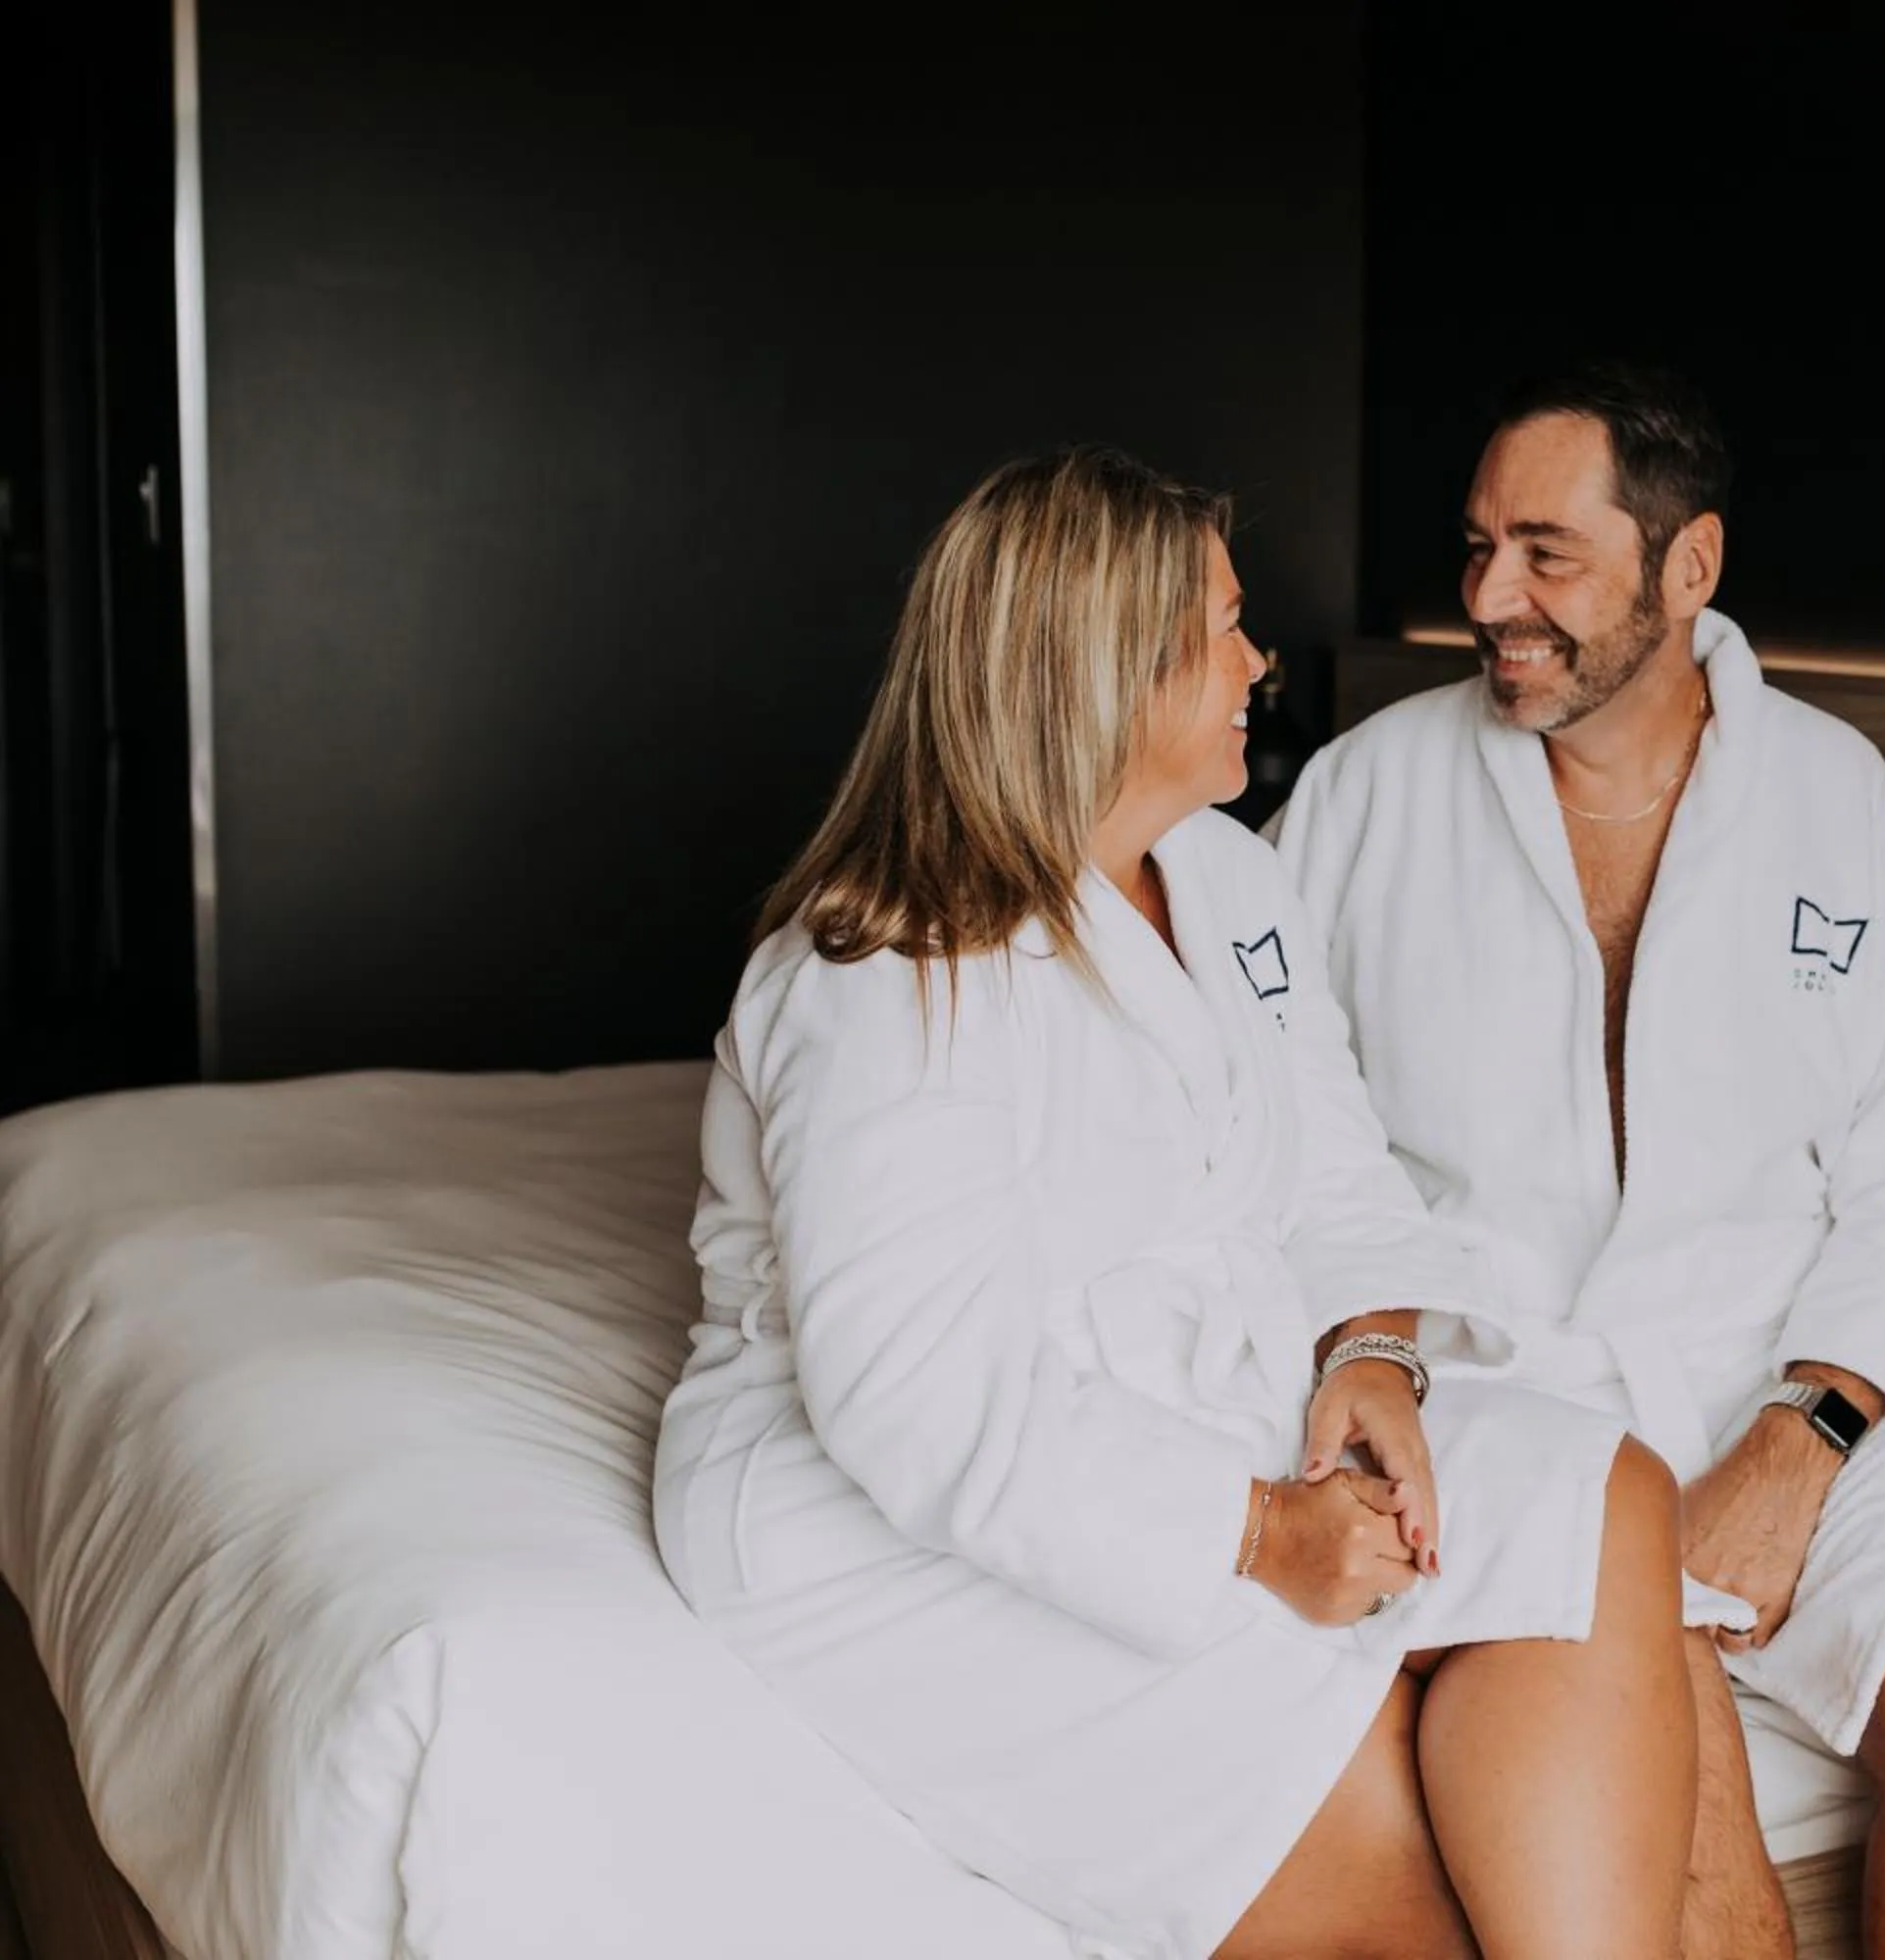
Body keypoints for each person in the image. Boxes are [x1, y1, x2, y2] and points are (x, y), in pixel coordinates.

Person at [651, 447, 1695, 1960]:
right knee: (1396, 1879)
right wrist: (1263, 1530)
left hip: (1219, 1397)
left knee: (1612, 1496)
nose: (1259, 662)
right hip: (896, 1516)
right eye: (1222, 628)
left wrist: (1373, 1354)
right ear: (1102, 673)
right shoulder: (887, 970)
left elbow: (1335, 1162)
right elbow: (920, 1400)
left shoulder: (1227, 881)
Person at [1274, 367, 1885, 1958]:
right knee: (1693, 1808)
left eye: (1547, 555)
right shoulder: (1367, 796)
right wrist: (1365, 1340)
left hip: (1773, 1374)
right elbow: (1282, 1123)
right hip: (1508, 1386)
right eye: (1480, 547)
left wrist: (1804, 1438)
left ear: (1687, 567)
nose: (1491, 598)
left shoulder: (1840, 801)